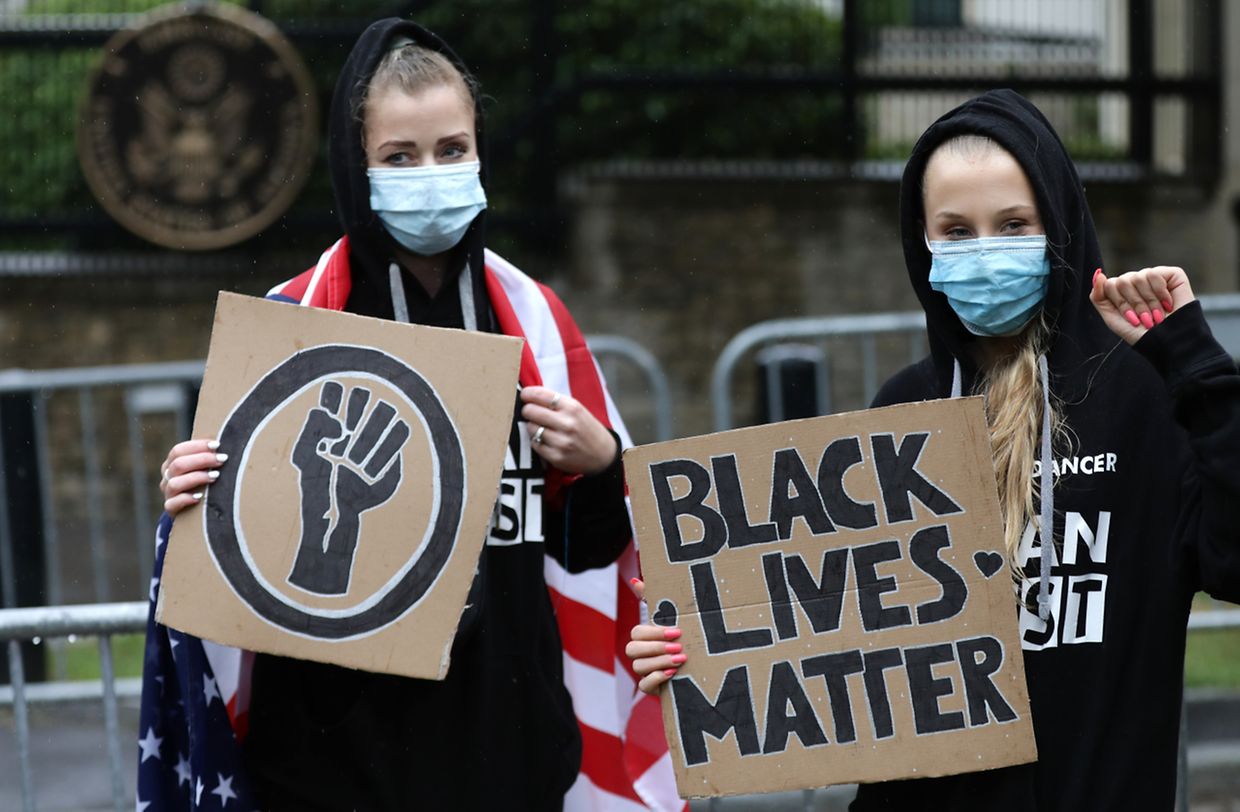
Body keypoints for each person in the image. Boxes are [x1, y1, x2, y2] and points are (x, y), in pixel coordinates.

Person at [626, 89, 1240, 810]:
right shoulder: (902, 409)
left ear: (1062, 225)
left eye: (1013, 224)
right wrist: (707, 645)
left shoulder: (1142, 395)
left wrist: (1197, 366)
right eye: (956, 231)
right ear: (922, 242)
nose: (984, 251)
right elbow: (839, 648)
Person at [140, 18, 639, 811]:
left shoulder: (536, 320)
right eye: (399, 157)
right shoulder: (291, 326)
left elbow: (593, 553)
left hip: (507, 757)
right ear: (355, 164)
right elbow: (231, 571)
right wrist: (189, 500)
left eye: (451, 150)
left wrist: (604, 463)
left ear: (480, 150)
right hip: (330, 770)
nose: (431, 174)